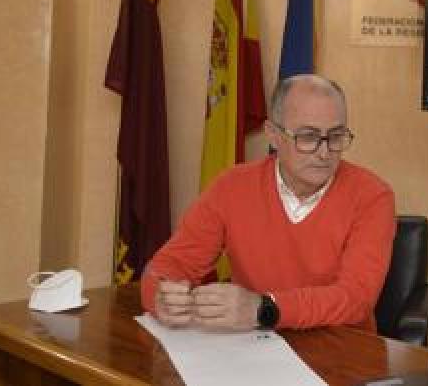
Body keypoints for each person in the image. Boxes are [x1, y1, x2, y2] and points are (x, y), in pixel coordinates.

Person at [141, 75, 396, 332]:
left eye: (336, 136)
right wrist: (161, 298)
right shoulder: (231, 186)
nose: (324, 152)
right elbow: (169, 266)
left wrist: (265, 309)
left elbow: (356, 298)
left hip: (342, 352)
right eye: (308, 137)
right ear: (273, 135)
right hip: (253, 346)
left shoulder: (372, 196)